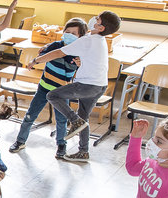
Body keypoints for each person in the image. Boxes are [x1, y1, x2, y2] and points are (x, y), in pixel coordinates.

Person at [36, 11, 122, 163]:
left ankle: (74, 121)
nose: (93, 19)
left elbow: (58, 52)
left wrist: (36, 60)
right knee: (84, 118)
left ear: (100, 27)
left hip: (87, 85)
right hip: (99, 86)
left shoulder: (88, 41)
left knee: (52, 96)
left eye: (97, 19)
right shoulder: (98, 39)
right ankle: (83, 151)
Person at [9, 18, 87, 159]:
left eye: (74, 33)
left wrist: (81, 64)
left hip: (62, 93)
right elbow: (42, 55)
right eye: (67, 32)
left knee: (62, 121)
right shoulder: (55, 45)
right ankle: (20, 140)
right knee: (30, 115)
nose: (69, 35)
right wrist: (39, 55)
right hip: (44, 88)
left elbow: (82, 73)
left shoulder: (79, 53)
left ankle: (61, 145)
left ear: (81, 37)